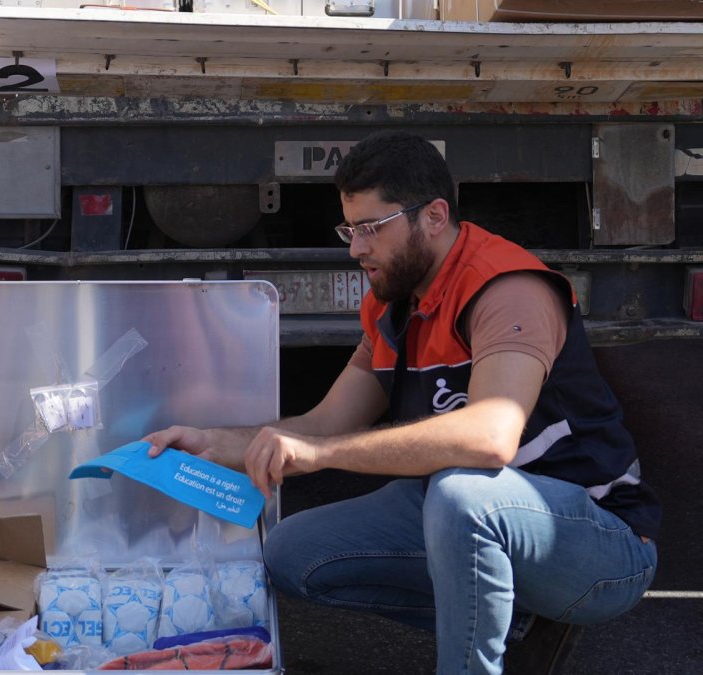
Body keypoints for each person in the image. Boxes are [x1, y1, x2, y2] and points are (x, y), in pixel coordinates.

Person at [145, 132, 660, 674]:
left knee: (460, 494)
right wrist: (214, 442)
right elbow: (322, 422)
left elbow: (490, 438)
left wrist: (322, 454)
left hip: (601, 545)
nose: (355, 248)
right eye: (350, 228)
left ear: (434, 216)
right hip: (472, 514)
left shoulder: (507, 289)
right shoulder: (391, 304)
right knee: (292, 553)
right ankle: (515, 619)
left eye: (371, 229)